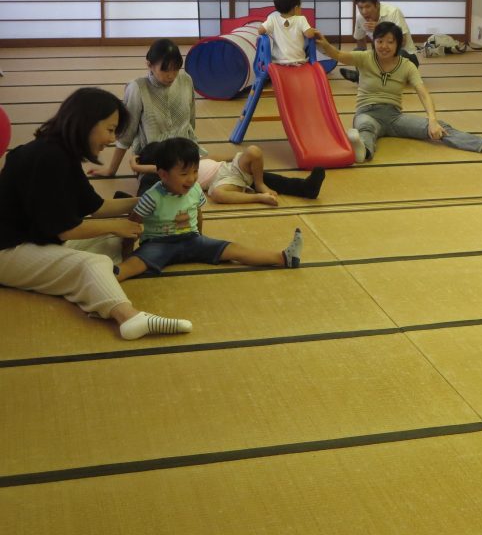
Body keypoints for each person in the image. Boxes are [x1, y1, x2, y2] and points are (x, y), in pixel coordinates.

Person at [0, 87, 192, 340]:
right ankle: (129, 317)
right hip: (8, 250)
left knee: (110, 243)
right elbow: (65, 228)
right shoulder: (48, 157)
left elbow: (96, 207)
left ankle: (94, 287)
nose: (112, 139)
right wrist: (116, 226)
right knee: (95, 261)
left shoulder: (62, 154)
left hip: (34, 239)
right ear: (87, 123)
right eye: (110, 130)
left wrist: (156, 196)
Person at [314, 22, 482, 163]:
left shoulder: (407, 65)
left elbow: (423, 92)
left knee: (440, 128)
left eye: (390, 42)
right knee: (365, 128)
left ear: (398, 44)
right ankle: (363, 152)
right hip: (367, 112)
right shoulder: (364, 57)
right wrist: (324, 44)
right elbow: (338, 55)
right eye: (380, 41)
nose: (384, 46)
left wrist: (433, 120)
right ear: (373, 41)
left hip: (394, 117)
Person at [115, 138, 304, 281]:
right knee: (136, 264)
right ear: (163, 174)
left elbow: (198, 214)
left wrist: (200, 238)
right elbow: (132, 224)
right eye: (184, 174)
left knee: (234, 249)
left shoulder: (195, 188)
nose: (191, 178)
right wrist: (127, 254)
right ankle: (110, 277)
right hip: (158, 244)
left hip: (190, 239)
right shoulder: (152, 196)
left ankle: (283, 257)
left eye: (195, 172)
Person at [90, 38, 201, 194]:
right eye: (165, 70)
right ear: (149, 65)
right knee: (156, 195)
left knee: (213, 176)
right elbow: (126, 134)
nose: (171, 75)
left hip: (184, 158)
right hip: (153, 158)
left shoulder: (186, 81)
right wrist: (111, 170)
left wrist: (193, 153)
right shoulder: (137, 88)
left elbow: (191, 122)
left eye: (176, 69)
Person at [131, 142, 325, 206]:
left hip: (232, 168)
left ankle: (260, 185)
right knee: (217, 194)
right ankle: (259, 196)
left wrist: (242, 160)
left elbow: (221, 156)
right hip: (223, 181)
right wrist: (136, 164)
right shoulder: (167, 172)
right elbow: (150, 170)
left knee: (255, 151)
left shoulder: (191, 157)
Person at [339, 0, 418, 82]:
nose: (364, 11)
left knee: (400, 54)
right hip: (381, 58)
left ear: (377, 4)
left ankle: (364, 77)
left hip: (405, 57)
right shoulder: (360, 18)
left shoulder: (393, 12)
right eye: (360, 7)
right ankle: (369, 76)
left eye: (368, 6)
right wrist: (363, 58)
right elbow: (360, 39)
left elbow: (403, 41)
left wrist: (381, 28)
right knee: (358, 51)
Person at [258, 0, 317, 65]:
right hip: (298, 60)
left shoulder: (272, 19)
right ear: (296, 8)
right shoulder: (301, 19)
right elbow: (309, 34)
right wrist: (314, 30)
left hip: (278, 62)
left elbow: (260, 31)